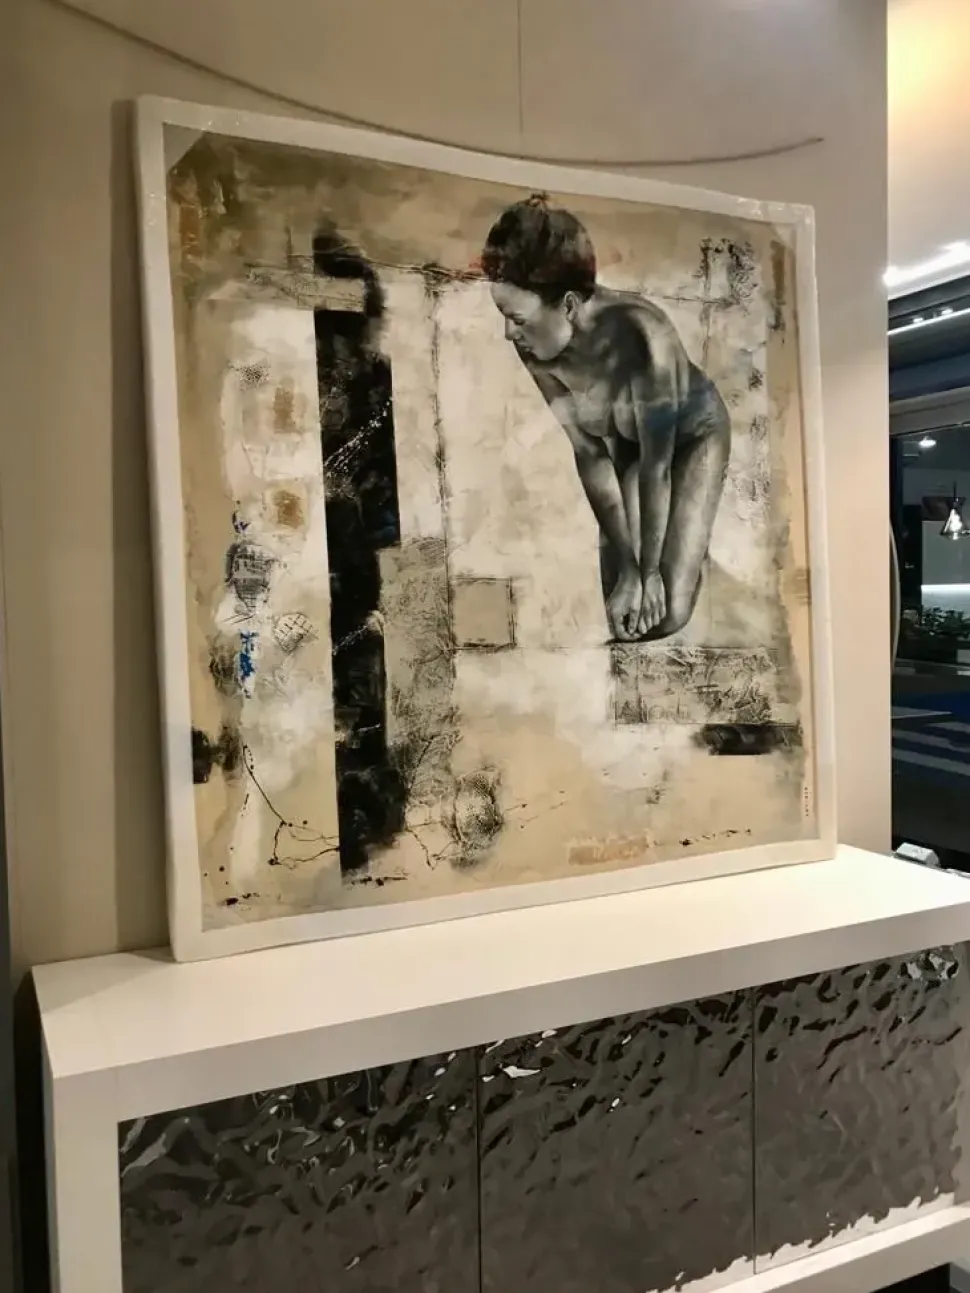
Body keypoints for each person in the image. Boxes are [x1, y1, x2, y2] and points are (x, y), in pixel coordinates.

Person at [482, 195, 731, 642]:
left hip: (692, 438)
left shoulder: (645, 336)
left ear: (569, 305)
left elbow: (657, 466)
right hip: (626, 447)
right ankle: (673, 554)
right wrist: (630, 570)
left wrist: (650, 573)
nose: (508, 332)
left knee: (667, 615)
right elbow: (590, 453)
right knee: (627, 619)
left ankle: (693, 546)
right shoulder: (533, 346)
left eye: (516, 318)